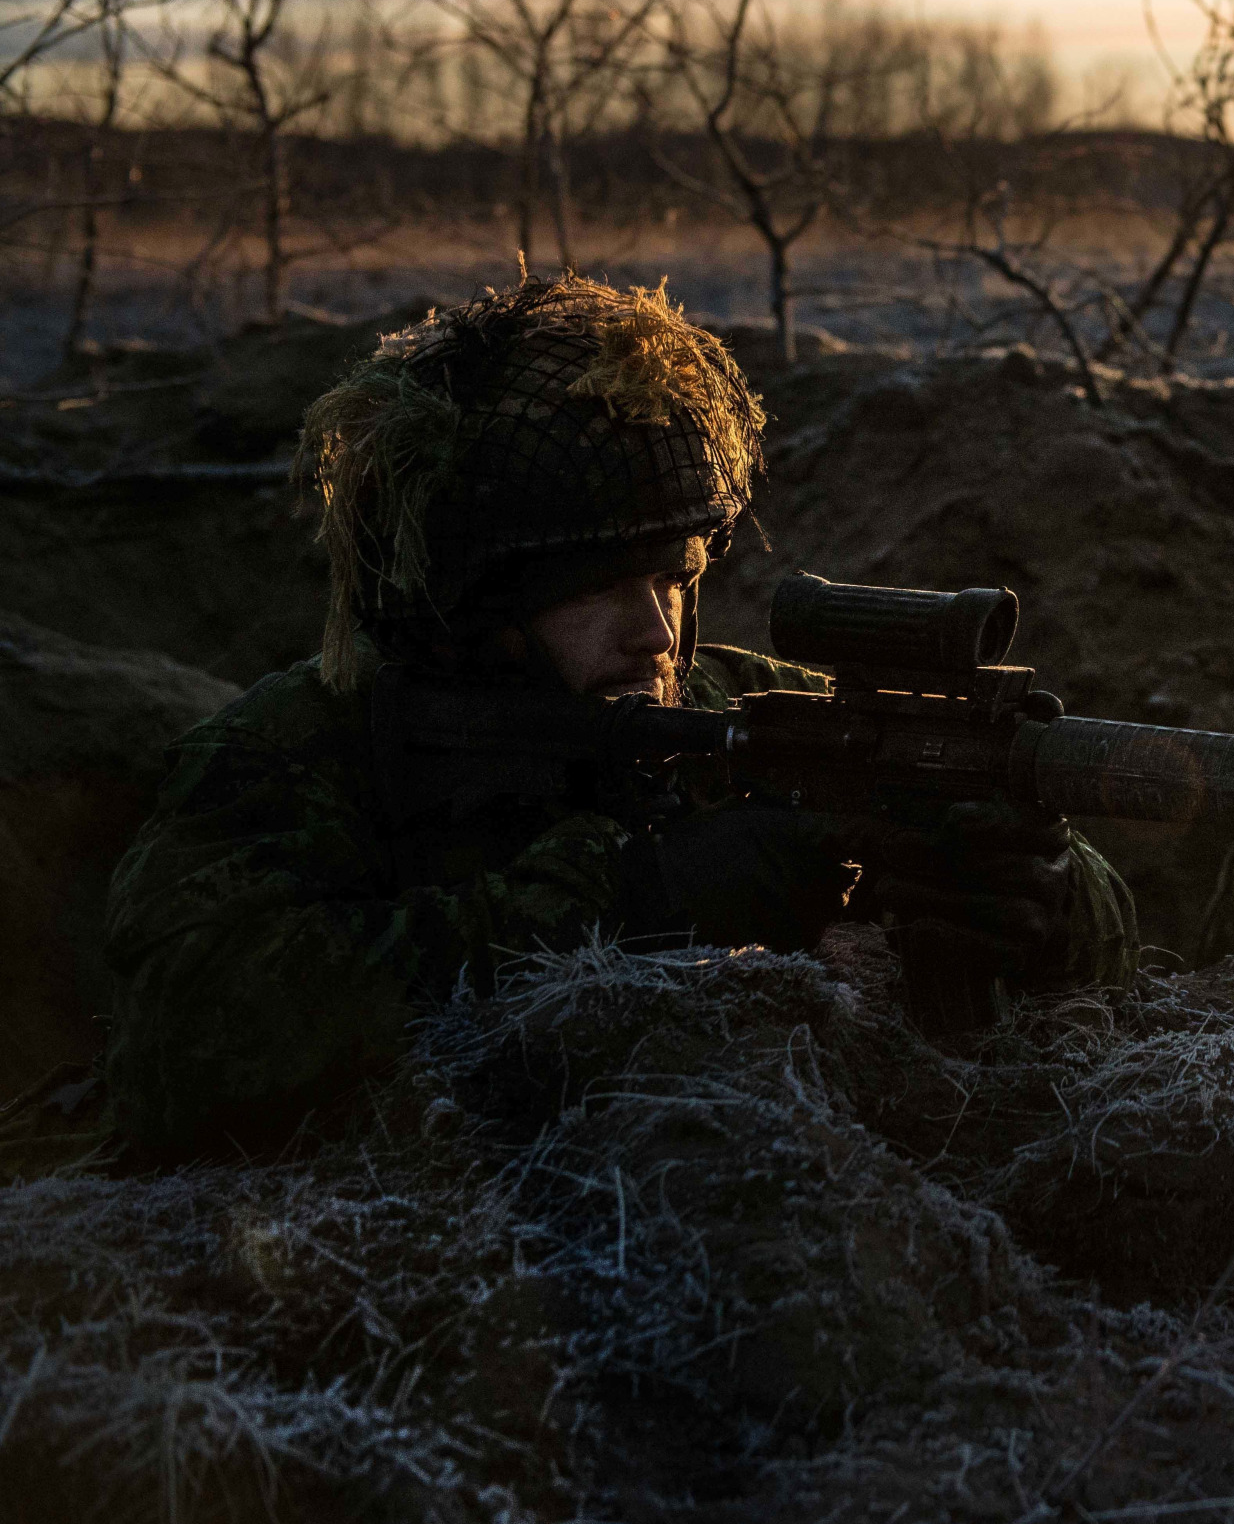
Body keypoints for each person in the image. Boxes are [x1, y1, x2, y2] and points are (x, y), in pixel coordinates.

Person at [99, 275, 1128, 1155]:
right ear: (479, 615)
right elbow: (177, 1043)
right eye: (596, 590)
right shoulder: (303, 752)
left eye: (675, 579)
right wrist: (632, 900)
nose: (656, 634)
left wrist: (1046, 903)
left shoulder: (772, 720)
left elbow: (1119, 950)